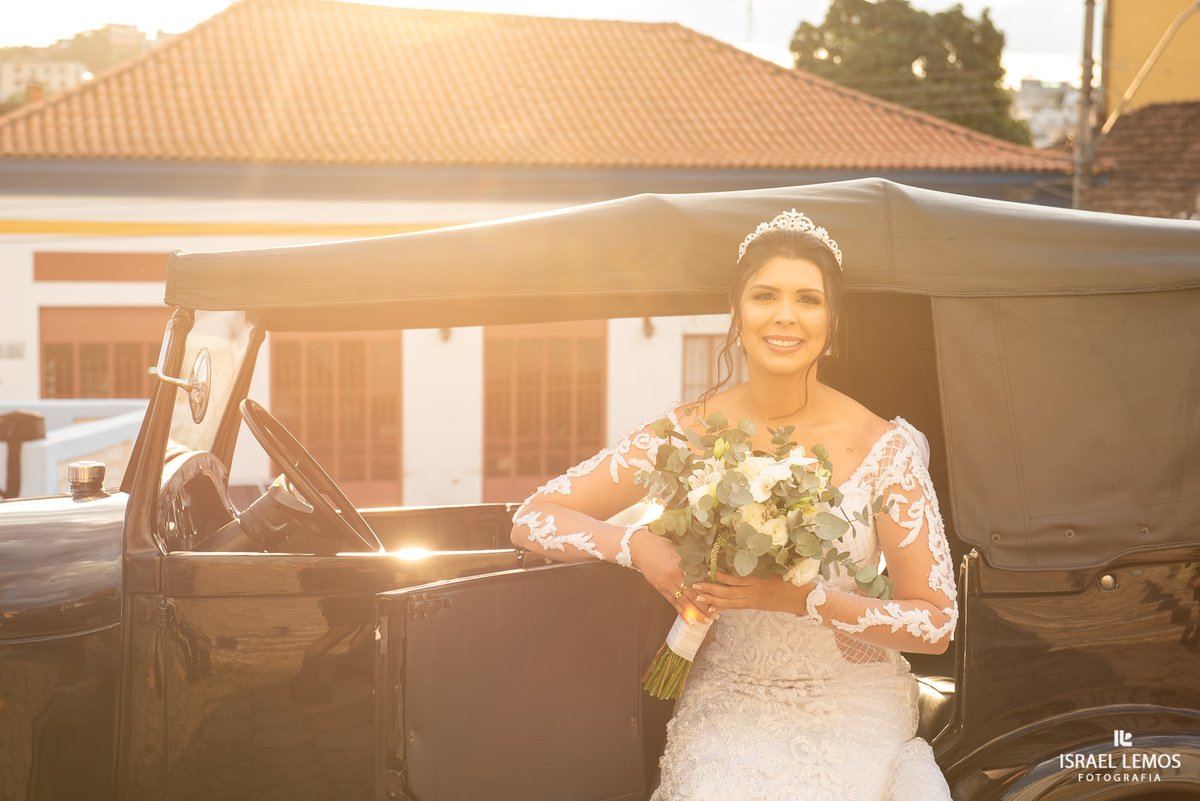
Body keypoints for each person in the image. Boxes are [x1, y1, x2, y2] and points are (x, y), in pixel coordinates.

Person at [510, 210, 958, 800]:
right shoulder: (687, 435)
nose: (785, 316)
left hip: (853, 705)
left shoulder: (883, 449)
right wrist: (637, 546)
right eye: (765, 295)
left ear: (833, 321)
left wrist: (802, 598)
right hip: (731, 697)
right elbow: (532, 519)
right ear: (736, 311)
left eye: (808, 299)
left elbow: (934, 624)